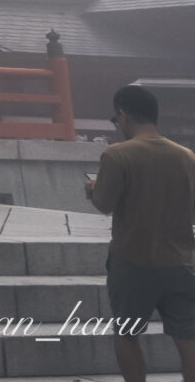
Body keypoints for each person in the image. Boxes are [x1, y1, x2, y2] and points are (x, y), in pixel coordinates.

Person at [85, 84, 195, 382]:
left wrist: (91, 190)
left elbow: (105, 204)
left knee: (128, 334)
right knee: (189, 340)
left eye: (116, 118)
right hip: (181, 261)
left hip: (132, 261)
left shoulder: (118, 154)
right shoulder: (187, 156)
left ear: (124, 114)